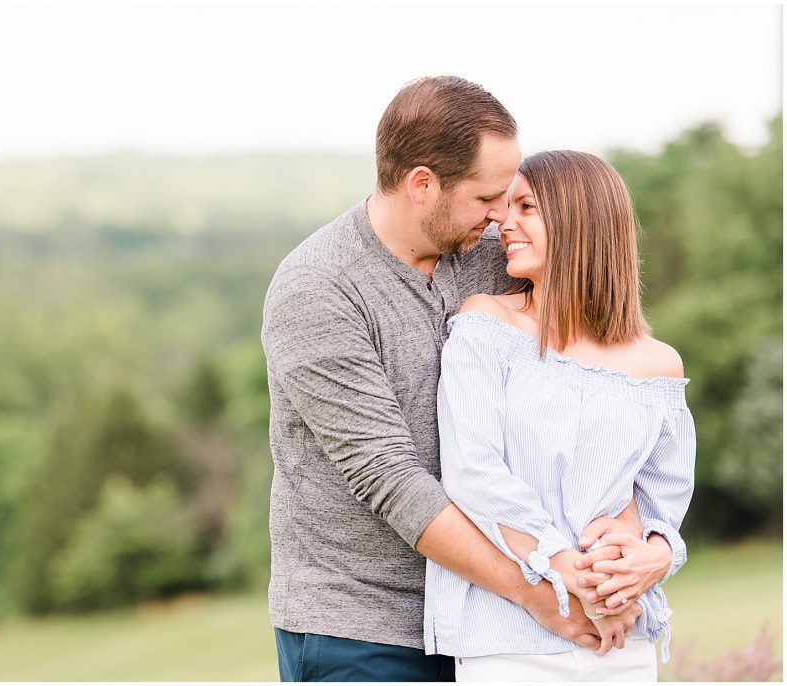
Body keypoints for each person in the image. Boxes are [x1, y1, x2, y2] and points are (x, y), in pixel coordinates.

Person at [261, 76, 673, 682]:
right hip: (363, 623)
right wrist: (540, 592)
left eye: (511, 200)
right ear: (422, 185)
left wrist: (627, 552)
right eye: (488, 198)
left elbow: (604, 398)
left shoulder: (490, 255)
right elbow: (392, 480)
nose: (501, 216)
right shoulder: (318, 289)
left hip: (488, 622)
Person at [424, 150, 696, 681]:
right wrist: (568, 570)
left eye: (526, 206)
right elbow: (473, 472)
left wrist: (653, 556)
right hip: (508, 639)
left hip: (620, 634)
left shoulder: (657, 364)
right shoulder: (485, 325)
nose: (505, 221)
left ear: (578, 221)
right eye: (506, 206)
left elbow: (664, 496)